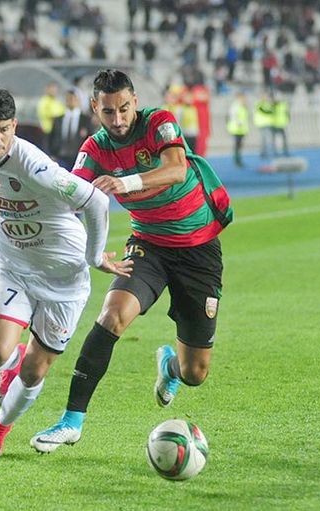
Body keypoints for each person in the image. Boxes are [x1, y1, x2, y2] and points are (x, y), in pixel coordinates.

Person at [30, 69, 233, 454]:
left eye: (124, 109)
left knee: (195, 373)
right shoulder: (94, 149)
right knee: (111, 315)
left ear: (135, 102)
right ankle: (72, 421)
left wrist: (125, 183)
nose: (119, 119)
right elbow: (73, 196)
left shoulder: (159, 122)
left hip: (198, 250)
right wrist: (79, 243)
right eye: (108, 112)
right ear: (95, 108)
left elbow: (176, 169)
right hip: (148, 245)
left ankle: (170, 367)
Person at [0, 87, 132, 458]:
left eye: (5, 129)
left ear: (15, 126)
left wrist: (94, 256)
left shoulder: (34, 165)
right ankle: (10, 362)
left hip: (63, 278)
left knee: (34, 372)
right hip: (14, 269)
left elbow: (96, 200)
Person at [48, 88, 94, 168]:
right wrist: (51, 155)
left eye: (74, 98)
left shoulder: (86, 120)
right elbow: (50, 138)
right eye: (69, 98)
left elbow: (91, 139)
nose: (71, 100)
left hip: (79, 159)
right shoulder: (58, 119)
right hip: (60, 158)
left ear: (79, 100)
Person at [36, 82, 65, 154]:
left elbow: (63, 113)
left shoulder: (57, 102)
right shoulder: (44, 101)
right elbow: (45, 114)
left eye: (55, 89)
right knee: (47, 152)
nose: (54, 91)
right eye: (52, 89)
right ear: (47, 90)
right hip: (48, 131)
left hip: (57, 131)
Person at [226, 91, 249, 167]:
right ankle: (237, 160)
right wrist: (239, 123)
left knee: (239, 145)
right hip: (236, 129)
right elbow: (233, 116)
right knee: (237, 145)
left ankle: (239, 159)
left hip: (241, 129)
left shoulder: (243, 106)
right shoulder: (235, 106)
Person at [253, 91, 274, 159]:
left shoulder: (267, 104)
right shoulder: (259, 104)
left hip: (268, 123)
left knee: (267, 139)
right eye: (264, 96)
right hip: (262, 124)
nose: (266, 98)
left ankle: (266, 153)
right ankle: (264, 153)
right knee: (264, 139)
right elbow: (266, 112)